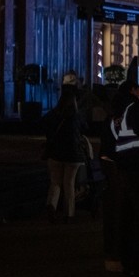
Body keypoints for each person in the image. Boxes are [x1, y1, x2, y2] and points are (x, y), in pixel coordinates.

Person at [108, 79, 139, 277]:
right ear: (133, 91)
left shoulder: (116, 112)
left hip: (122, 167)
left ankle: (126, 261)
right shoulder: (136, 108)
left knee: (127, 217)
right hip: (138, 166)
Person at [43, 81, 85, 222]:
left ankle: (51, 205)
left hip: (55, 153)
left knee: (55, 181)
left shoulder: (53, 114)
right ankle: (69, 214)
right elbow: (85, 128)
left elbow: (43, 124)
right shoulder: (76, 116)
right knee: (69, 183)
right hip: (73, 155)